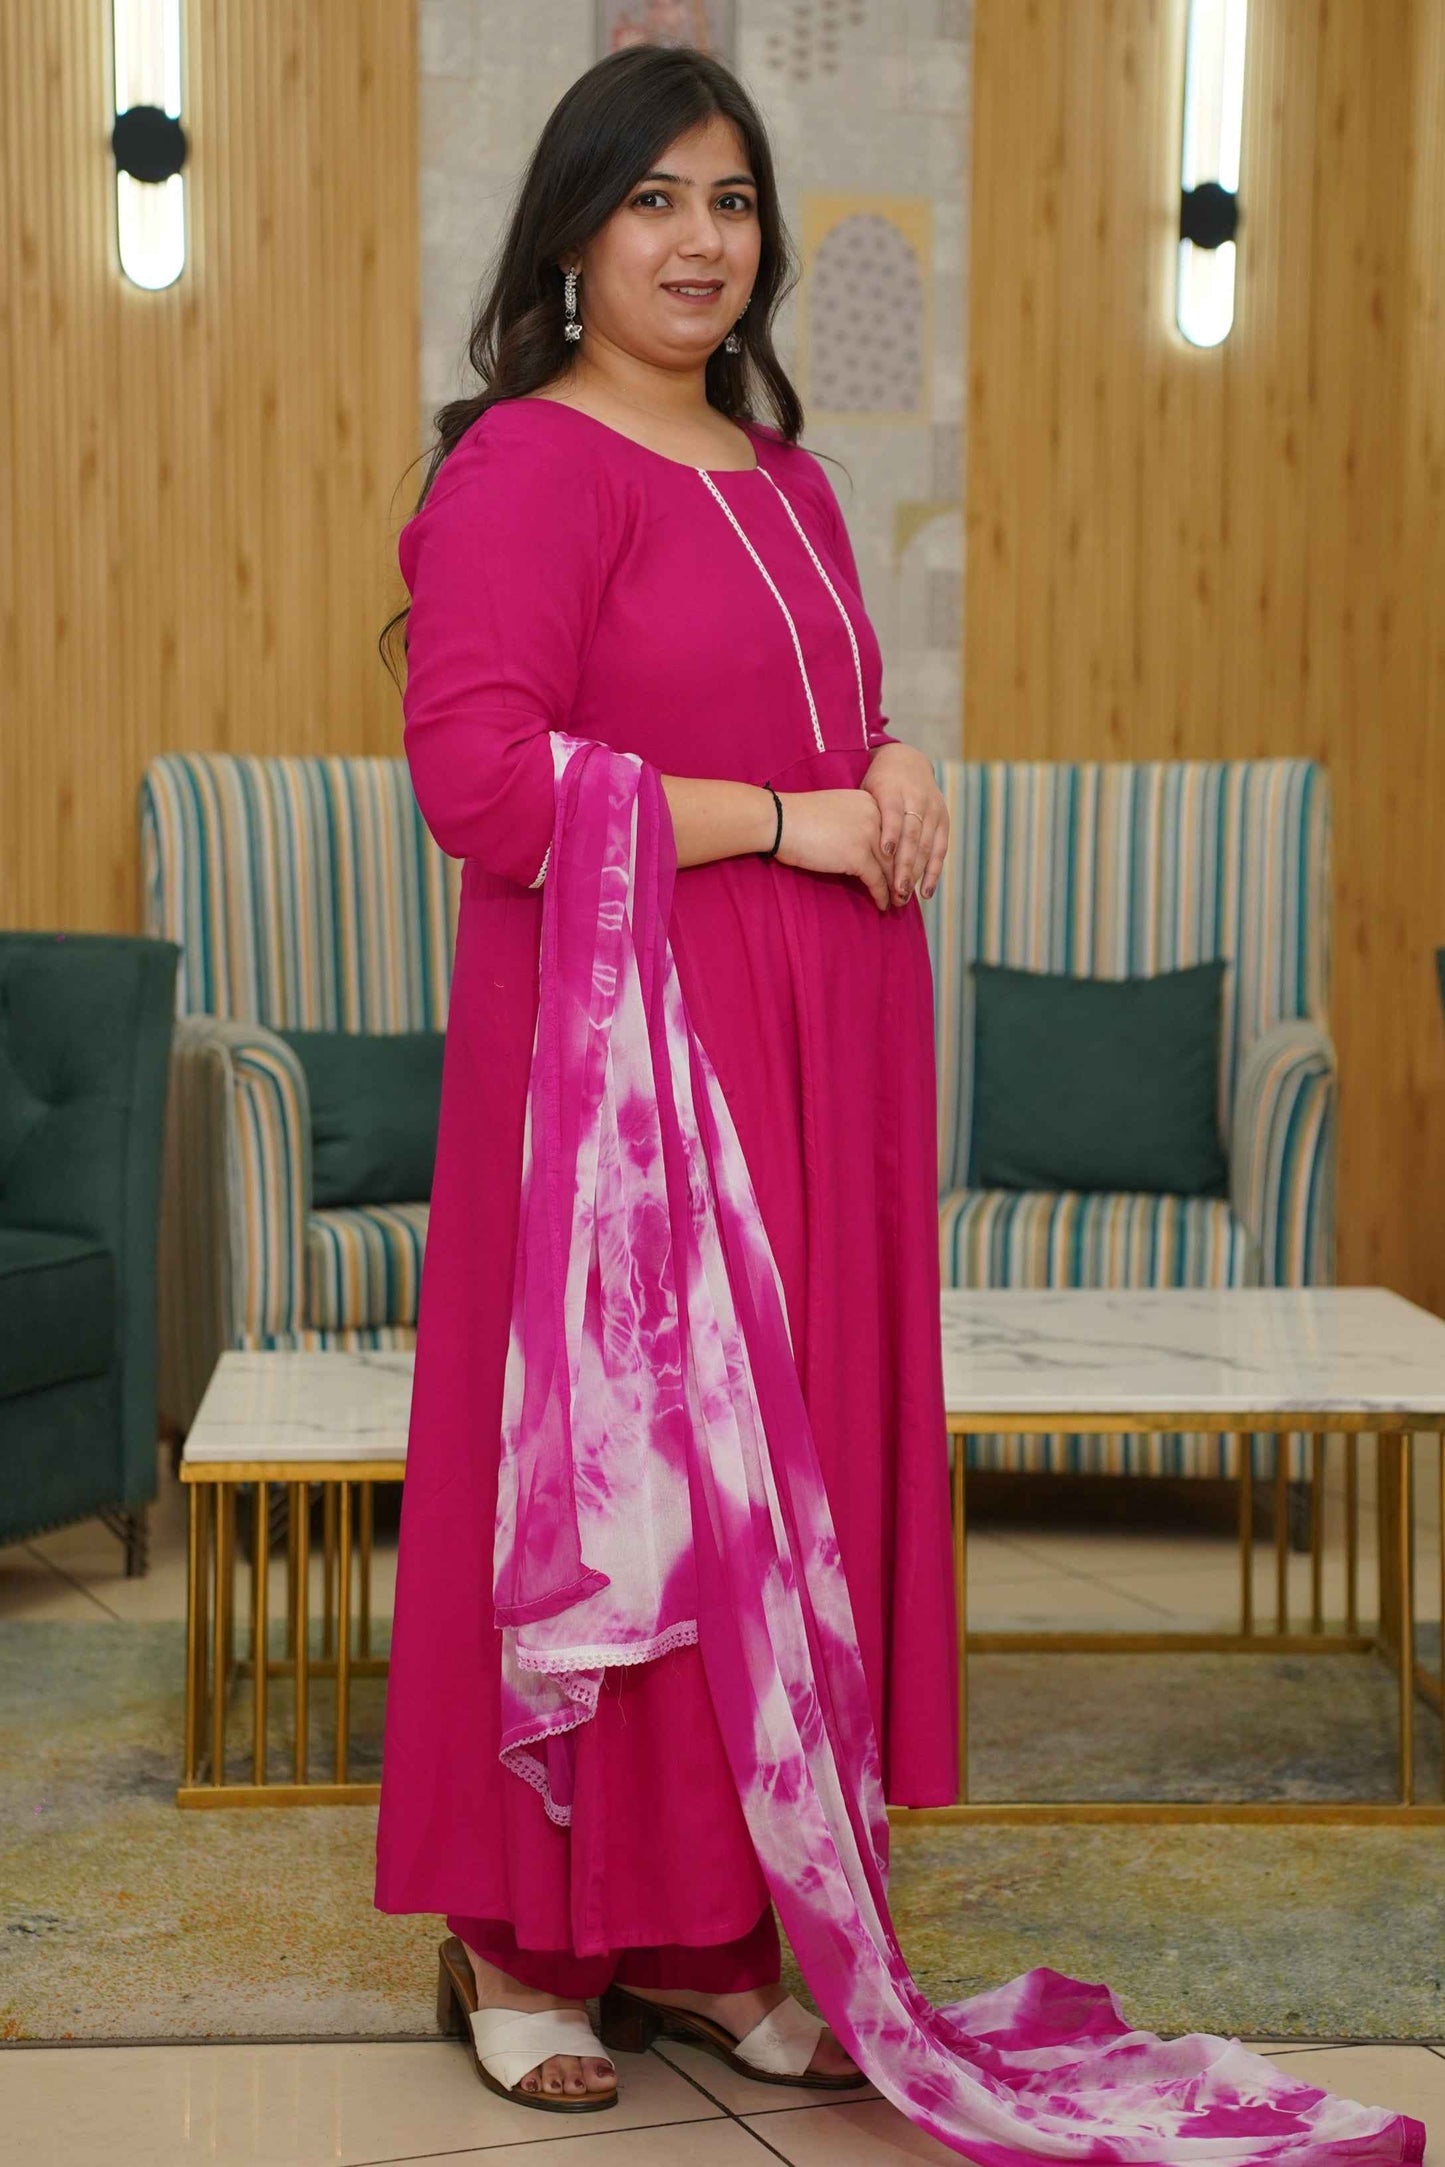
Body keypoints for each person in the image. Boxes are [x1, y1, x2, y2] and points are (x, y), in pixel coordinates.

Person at [374, 41, 957, 2116]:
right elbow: (484, 784)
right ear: (572, 233)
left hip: (816, 1053)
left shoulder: (789, 478)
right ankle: (523, 1934)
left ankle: (709, 1931)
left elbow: (831, 712)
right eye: (653, 201)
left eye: (729, 200)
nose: (700, 241)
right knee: (622, 1486)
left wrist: (891, 757)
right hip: (628, 1078)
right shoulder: (529, 467)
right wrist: (796, 823)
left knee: (766, 1492)